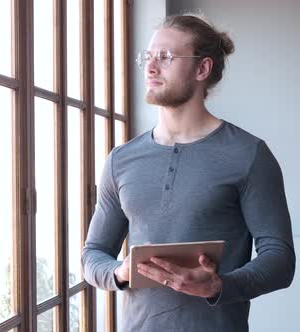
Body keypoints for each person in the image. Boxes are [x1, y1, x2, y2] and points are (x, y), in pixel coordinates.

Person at [81, 14, 295, 331]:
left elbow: (280, 260)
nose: (150, 68)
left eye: (165, 57)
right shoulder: (120, 160)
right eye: (148, 57)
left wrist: (219, 285)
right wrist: (121, 272)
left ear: (202, 69)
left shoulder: (249, 155)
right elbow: (93, 255)